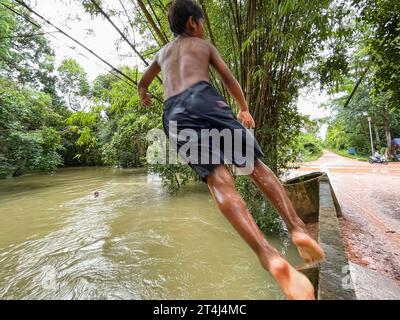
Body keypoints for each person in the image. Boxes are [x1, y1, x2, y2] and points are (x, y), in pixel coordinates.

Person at [138, 0, 325, 300]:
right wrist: (244, 108)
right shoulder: (204, 46)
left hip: (174, 114)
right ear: (192, 24)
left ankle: (268, 256)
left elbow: (143, 82)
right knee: (254, 167)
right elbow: (229, 78)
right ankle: (297, 227)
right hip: (203, 99)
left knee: (219, 181)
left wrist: (145, 95)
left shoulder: (162, 53)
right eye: (201, 22)